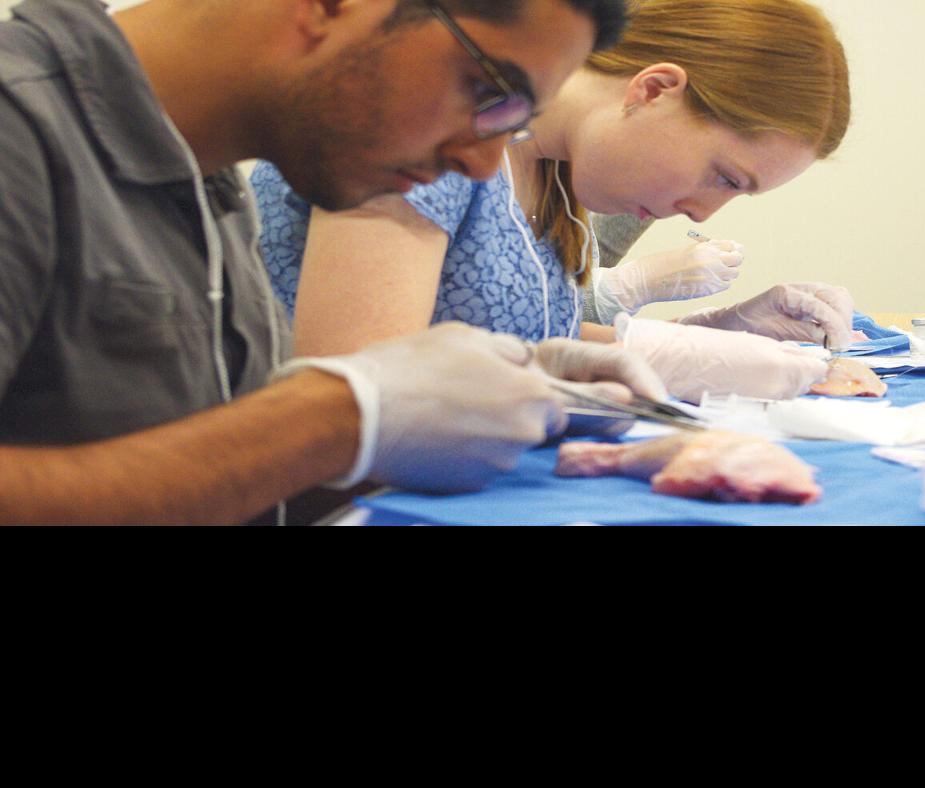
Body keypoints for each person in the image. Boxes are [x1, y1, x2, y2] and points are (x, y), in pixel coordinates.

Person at [0, 0, 660, 525]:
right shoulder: (20, 133)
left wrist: (494, 405)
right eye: (490, 92)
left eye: (516, 122)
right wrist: (335, 417)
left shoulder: (210, 185)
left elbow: (231, 489)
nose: (482, 162)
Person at [252, 0, 855, 404]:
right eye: (724, 176)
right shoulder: (442, 136)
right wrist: (663, 359)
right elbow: (354, 398)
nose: (702, 213)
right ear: (654, 90)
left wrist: (704, 339)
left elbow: (521, 335)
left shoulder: (556, 175)